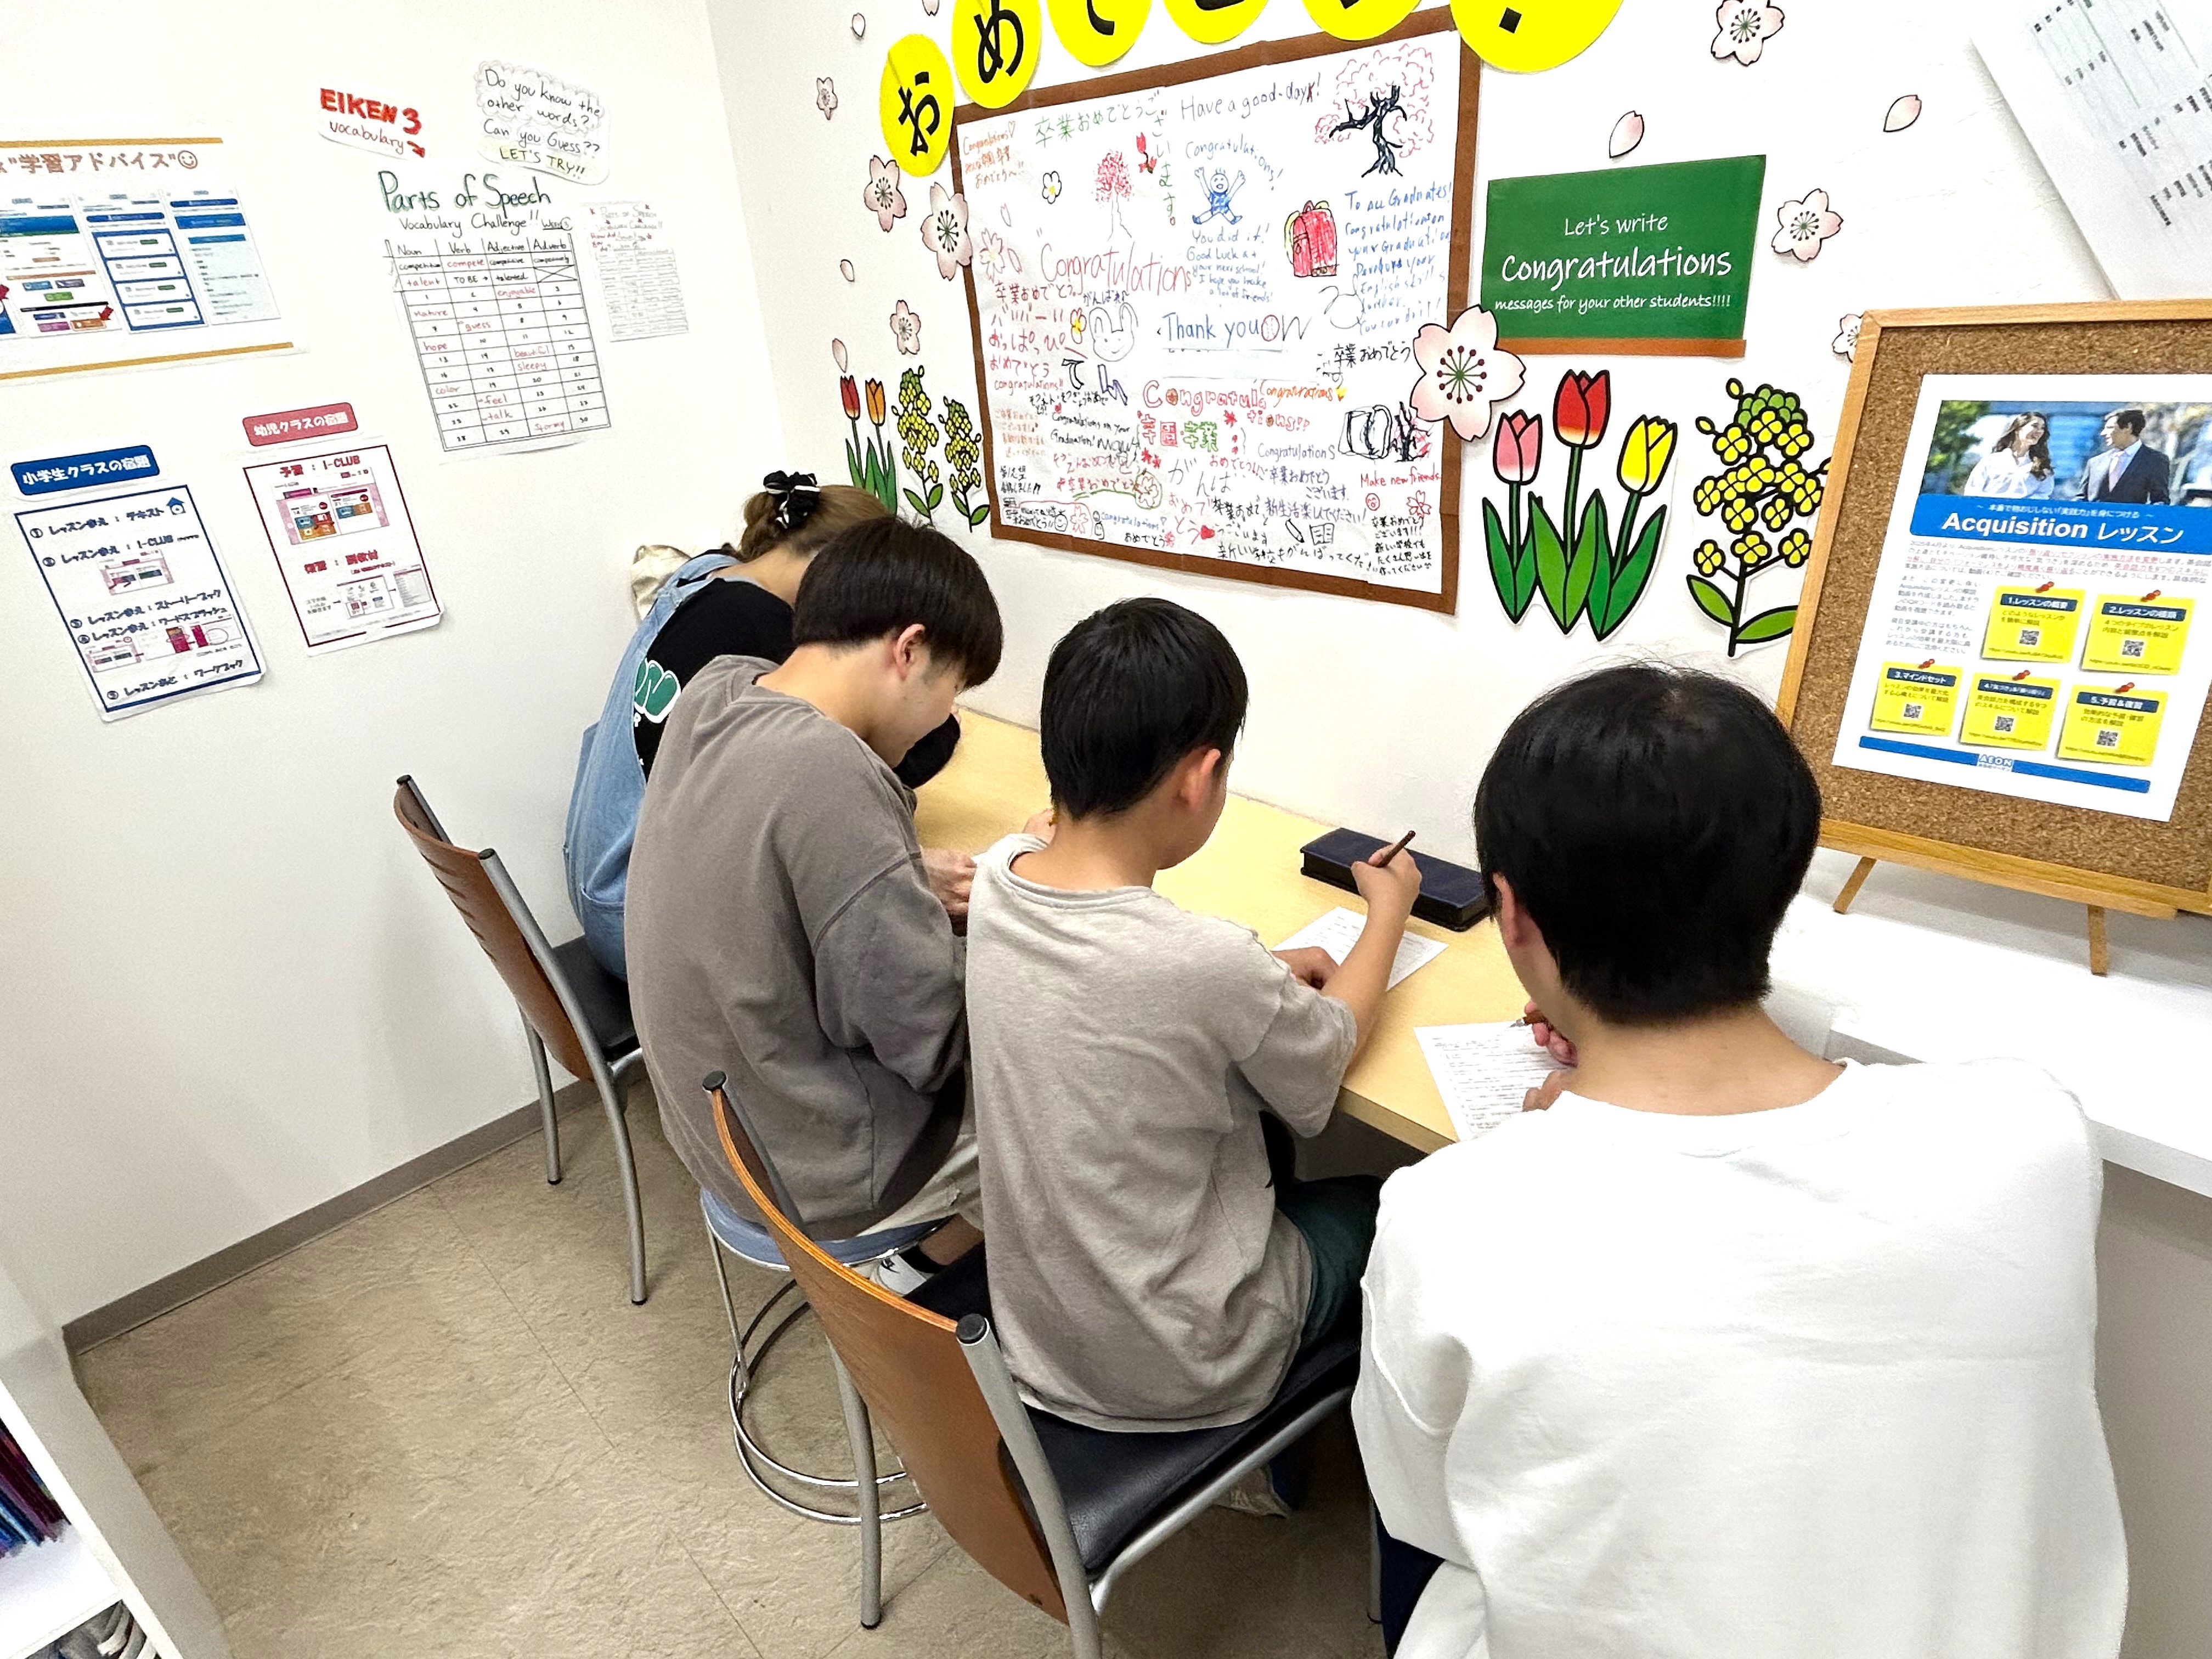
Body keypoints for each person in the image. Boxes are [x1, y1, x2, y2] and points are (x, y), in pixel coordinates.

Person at [1353, 663, 2125, 1659]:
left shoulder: (1447, 1217)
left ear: (1511, 912)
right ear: (1786, 877)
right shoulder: (2032, 1135)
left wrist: (1568, 1119)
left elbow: (1428, 1512)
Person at [964, 597, 1421, 1432]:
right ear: (1199, 777)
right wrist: (1388, 911)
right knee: (1391, 1203)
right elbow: (1328, 1055)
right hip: (1182, 1360)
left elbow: (1139, 978)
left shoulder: (999, 876)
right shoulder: (1203, 961)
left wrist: (1255, 977)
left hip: (1042, 1333)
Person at [627, 520, 1006, 1276]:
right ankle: (917, 1279)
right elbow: (930, 1044)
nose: (948, 715)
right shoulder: (834, 774)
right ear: (909, 650)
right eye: (954, 689)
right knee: (1084, 1109)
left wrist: (897, 877)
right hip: (818, 1174)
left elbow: (768, 867)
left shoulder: (719, 690)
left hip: (719, 1134)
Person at [563, 472, 963, 979]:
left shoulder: (705, 577)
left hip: (598, 880)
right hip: (638, 923)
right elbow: (866, 766)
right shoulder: (759, 628)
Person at [2077, 407, 2171, 504]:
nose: (2103, 433)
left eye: (2110, 428)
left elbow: (2160, 500)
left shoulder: (2155, 461)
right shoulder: (2095, 462)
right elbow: (2081, 499)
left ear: (2128, 427)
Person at [1962, 410, 2056, 498]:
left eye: (2043, 428)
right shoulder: (1991, 461)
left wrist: (2021, 503)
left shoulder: (2043, 466)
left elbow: (2044, 495)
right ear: (2018, 429)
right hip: (1989, 509)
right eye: (2035, 426)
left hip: (2023, 510)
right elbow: (1972, 491)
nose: (2039, 431)